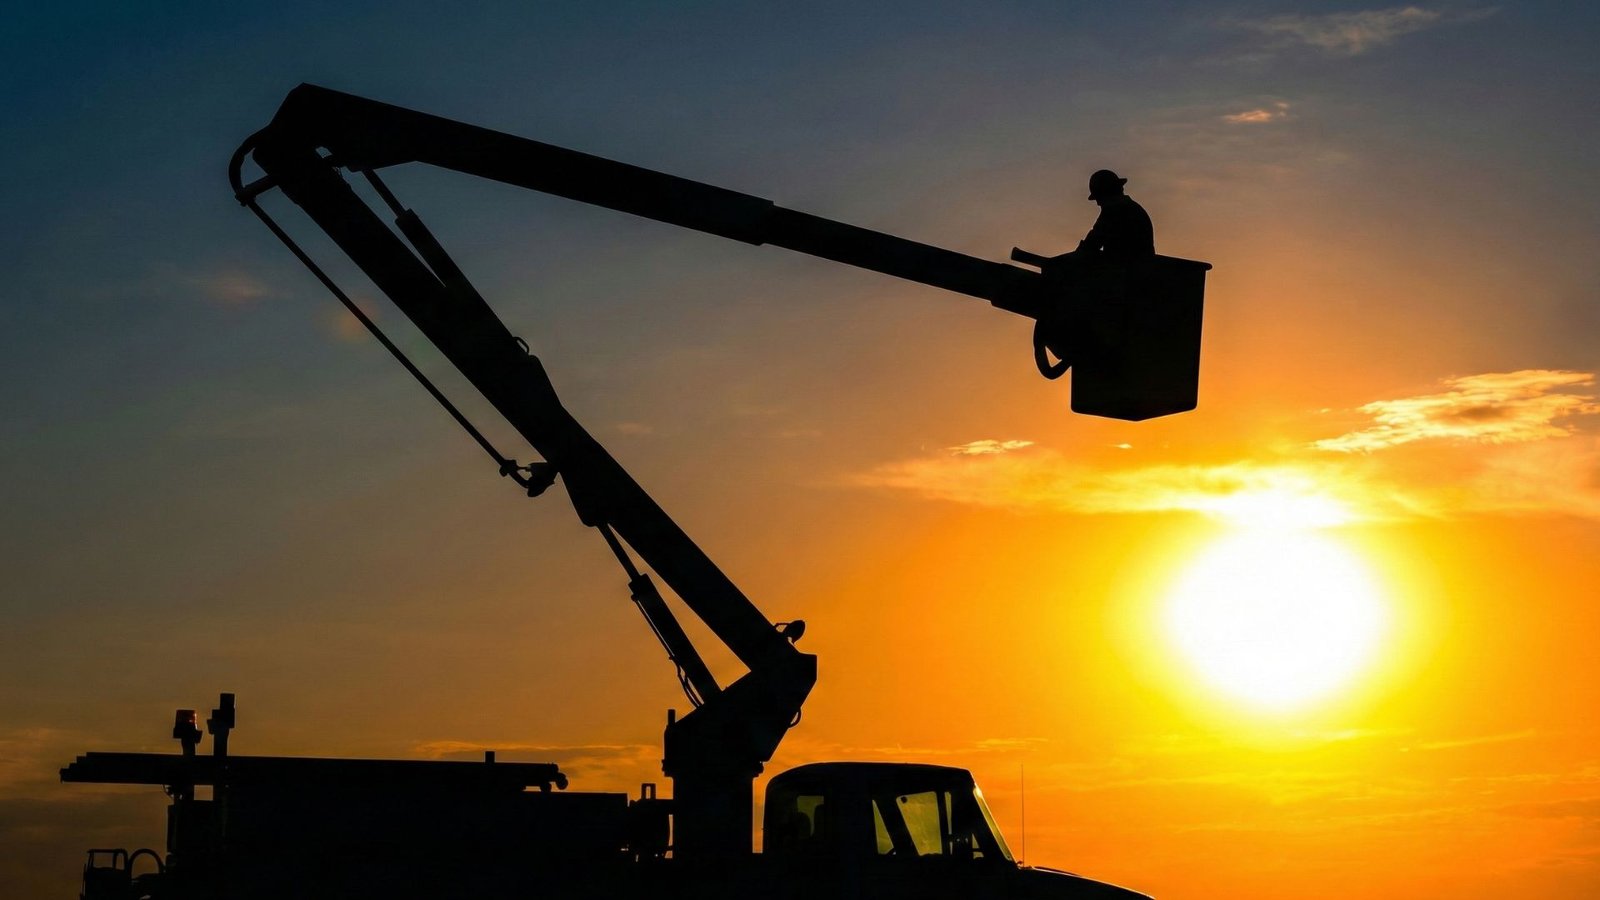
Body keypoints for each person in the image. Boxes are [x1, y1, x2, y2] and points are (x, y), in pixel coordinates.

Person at [1076, 169, 1154, 260]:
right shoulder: (1133, 208)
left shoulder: (1114, 212)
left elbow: (1092, 243)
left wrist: (1073, 258)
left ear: (1106, 194)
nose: (1098, 203)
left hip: (1126, 265)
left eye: (1098, 198)